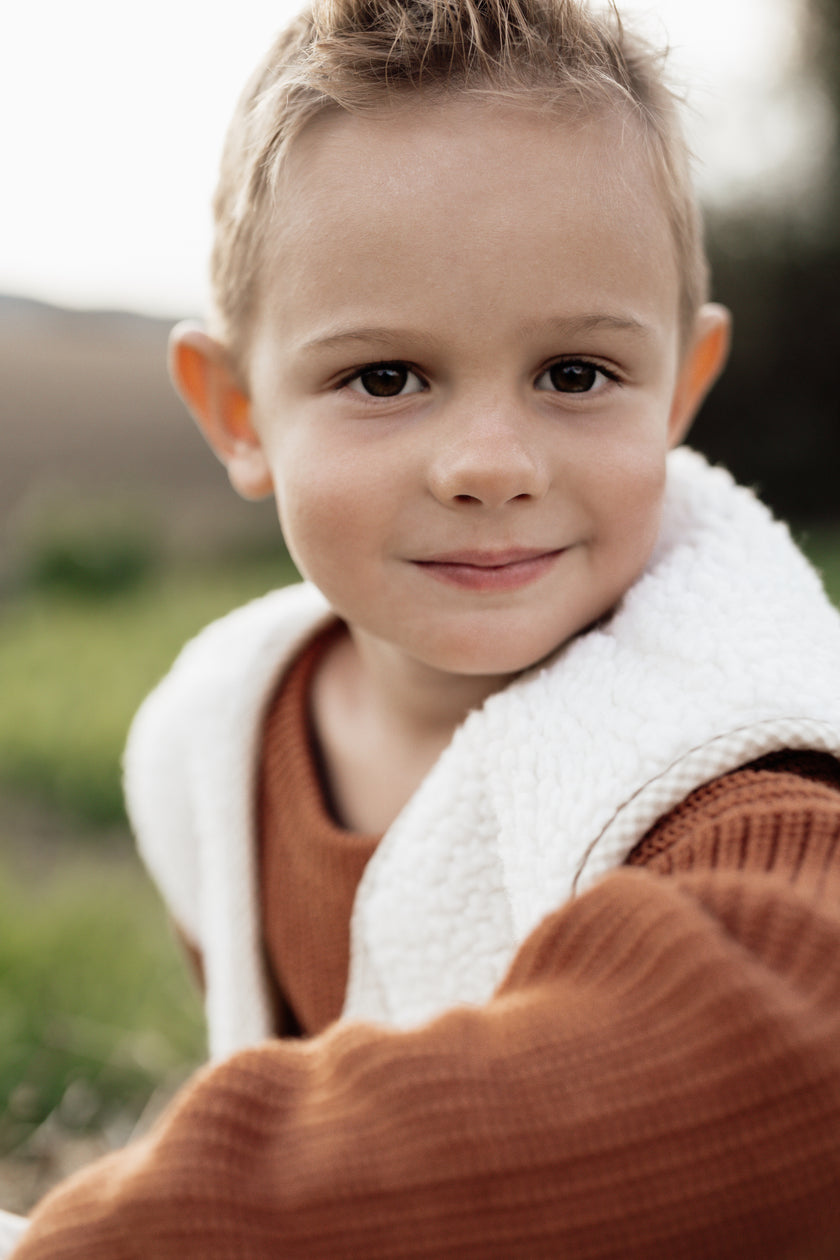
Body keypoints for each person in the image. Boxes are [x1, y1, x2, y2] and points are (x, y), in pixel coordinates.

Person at [10, 0, 840, 1255]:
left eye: (574, 373)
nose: (489, 464)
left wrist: (168, 1226)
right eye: (385, 378)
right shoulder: (215, 733)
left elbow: (799, 1057)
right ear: (237, 411)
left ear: (679, 388)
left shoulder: (727, 754)